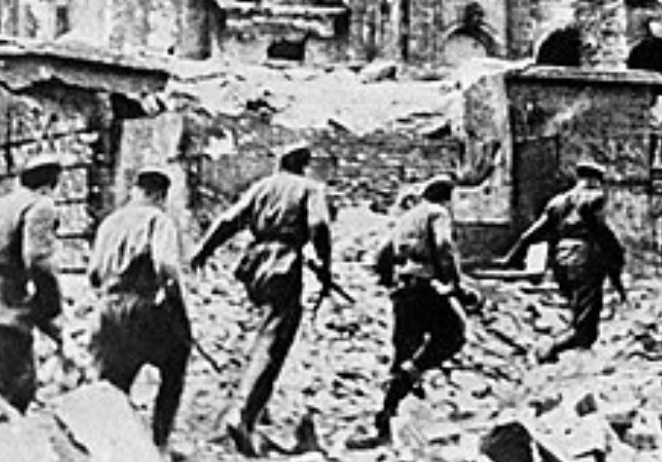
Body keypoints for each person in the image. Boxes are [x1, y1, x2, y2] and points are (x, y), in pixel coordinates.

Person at [188, 141, 334, 457]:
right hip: (283, 261)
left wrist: (203, 250)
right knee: (274, 338)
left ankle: (256, 410)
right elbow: (319, 224)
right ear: (304, 164)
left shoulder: (263, 186)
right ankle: (241, 414)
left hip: (255, 262)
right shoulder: (310, 188)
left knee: (263, 333)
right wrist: (325, 264)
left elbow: (229, 221)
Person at [349, 175, 471, 450]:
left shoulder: (407, 217)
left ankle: (385, 421)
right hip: (426, 287)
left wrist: (390, 283)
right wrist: (455, 284)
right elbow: (444, 246)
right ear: (446, 197)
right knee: (454, 334)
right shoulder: (438, 213)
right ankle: (411, 373)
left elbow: (382, 254)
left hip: (404, 291)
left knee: (403, 348)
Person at [88, 165, 192, 454]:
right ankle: (160, 443)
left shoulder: (110, 222)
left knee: (112, 383)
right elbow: (166, 265)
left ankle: (110, 448)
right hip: (143, 306)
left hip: (106, 308)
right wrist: (174, 301)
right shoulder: (159, 220)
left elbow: (94, 273)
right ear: (160, 195)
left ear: (136, 191)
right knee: (175, 363)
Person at [502, 159, 626, 361]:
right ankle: (546, 350)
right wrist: (616, 261)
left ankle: (567, 361)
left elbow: (532, 234)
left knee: (578, 313)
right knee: (585, 329)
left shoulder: (557, 202)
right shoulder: (595, 198)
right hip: (585, 259)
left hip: (561, 260)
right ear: (597, 180)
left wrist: (513, 256)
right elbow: (601, 233)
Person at [0, 151, 65, 413]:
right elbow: (38, 260)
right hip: (6, 313)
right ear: (51, 183)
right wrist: (49, 305)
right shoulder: (40, 205)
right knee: (12, 397)